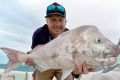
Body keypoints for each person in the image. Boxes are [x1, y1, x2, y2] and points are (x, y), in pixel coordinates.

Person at [26, 2, 94, 80]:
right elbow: (35, 54)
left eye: (60, 20)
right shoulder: (38, 34)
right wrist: (31, 60)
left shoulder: (71, 36)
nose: (57, 24)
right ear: (47, 21)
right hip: (46, 65)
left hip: (63, 66)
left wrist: (77, 71)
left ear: (65, 22)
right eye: (53, 20)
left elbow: (73, 61)